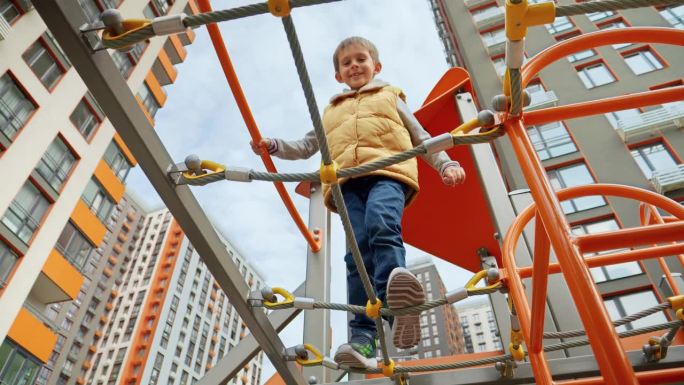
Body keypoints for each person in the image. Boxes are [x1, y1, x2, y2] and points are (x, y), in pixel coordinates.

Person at [250, 36, 465, 369]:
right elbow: (308, 145)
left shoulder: (390, 96)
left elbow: (421, 136)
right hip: (346, 184)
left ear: (376, 67)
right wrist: (275, 145)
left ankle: (398, 307)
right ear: (338, 75)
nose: (354, 66)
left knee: (381, 225)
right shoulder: (332, 110)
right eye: (346, 63)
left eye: (360, 59)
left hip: (388, 173)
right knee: (355, 256)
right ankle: (363, 339)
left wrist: (445, 163)